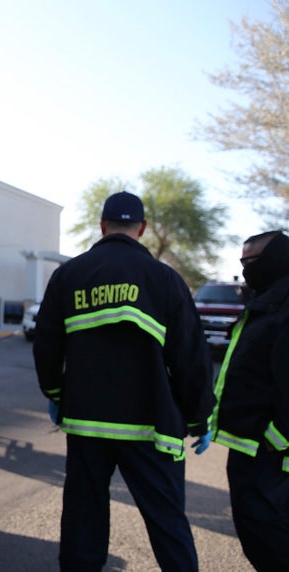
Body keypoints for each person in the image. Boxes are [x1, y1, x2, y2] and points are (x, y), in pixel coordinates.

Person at [32, 191, 215, 571]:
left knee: (83, 520)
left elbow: (46, 344)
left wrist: (55, 393)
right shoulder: (164, 279)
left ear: (102, 225)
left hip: (86, 423)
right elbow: (190, 356)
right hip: (150, 425)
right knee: (167, 521)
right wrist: (199, 417)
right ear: (142, 229)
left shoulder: (69, 275)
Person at [211, 230, 289, 571]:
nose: (246, 270)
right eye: (243, 262)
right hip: (251, 445)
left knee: (271, 538)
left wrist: (277, 438)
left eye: (253, 261)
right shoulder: (267, 298)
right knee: (258, 534)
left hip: (270, 452)